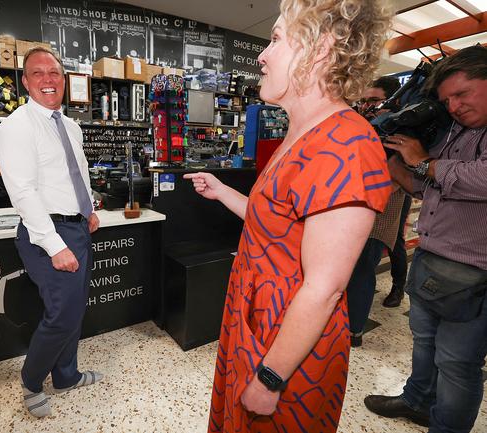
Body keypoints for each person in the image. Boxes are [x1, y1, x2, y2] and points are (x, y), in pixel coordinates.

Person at [184, 1, 393, 431]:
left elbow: (325, 287)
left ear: (320, 48)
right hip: (254, 324)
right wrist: (224, 192)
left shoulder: (346, 145)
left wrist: (270, 377)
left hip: (286, 347)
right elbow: (276, 228)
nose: (261, 55)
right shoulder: (302, 134)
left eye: (276, 38)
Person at [364, 45, 487, 433]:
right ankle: (416, 400)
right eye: (447, 98)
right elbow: (425, 189)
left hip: (474, 271)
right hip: (433, 257)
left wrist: (423, 162)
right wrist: (396, 161)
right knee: (423, 341)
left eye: (462, 94)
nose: (453, 105)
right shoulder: (453, 133)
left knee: (457, 363)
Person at [0, 46, 102, 418]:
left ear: (64, 79)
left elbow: (77, 172)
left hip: (76, 228)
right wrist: (55, 245)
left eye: (54, 72)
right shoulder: (16, 127)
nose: (47, 80)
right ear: (25, 81)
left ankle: (67, 375)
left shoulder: (70, 125)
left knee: (73, 311)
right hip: (46, 234)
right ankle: (30, 380)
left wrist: (88, 209)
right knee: (61, 314)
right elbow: (23, 192)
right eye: (38, 74)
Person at [347, 76, 408, 347]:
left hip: (378, 219)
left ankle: (354, 331)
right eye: (365, 100)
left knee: (361, 273)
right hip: (354, 216)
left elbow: (395, 181)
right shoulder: (369, 128)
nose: (367, 106)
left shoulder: (402, 134)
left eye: (374, 100)